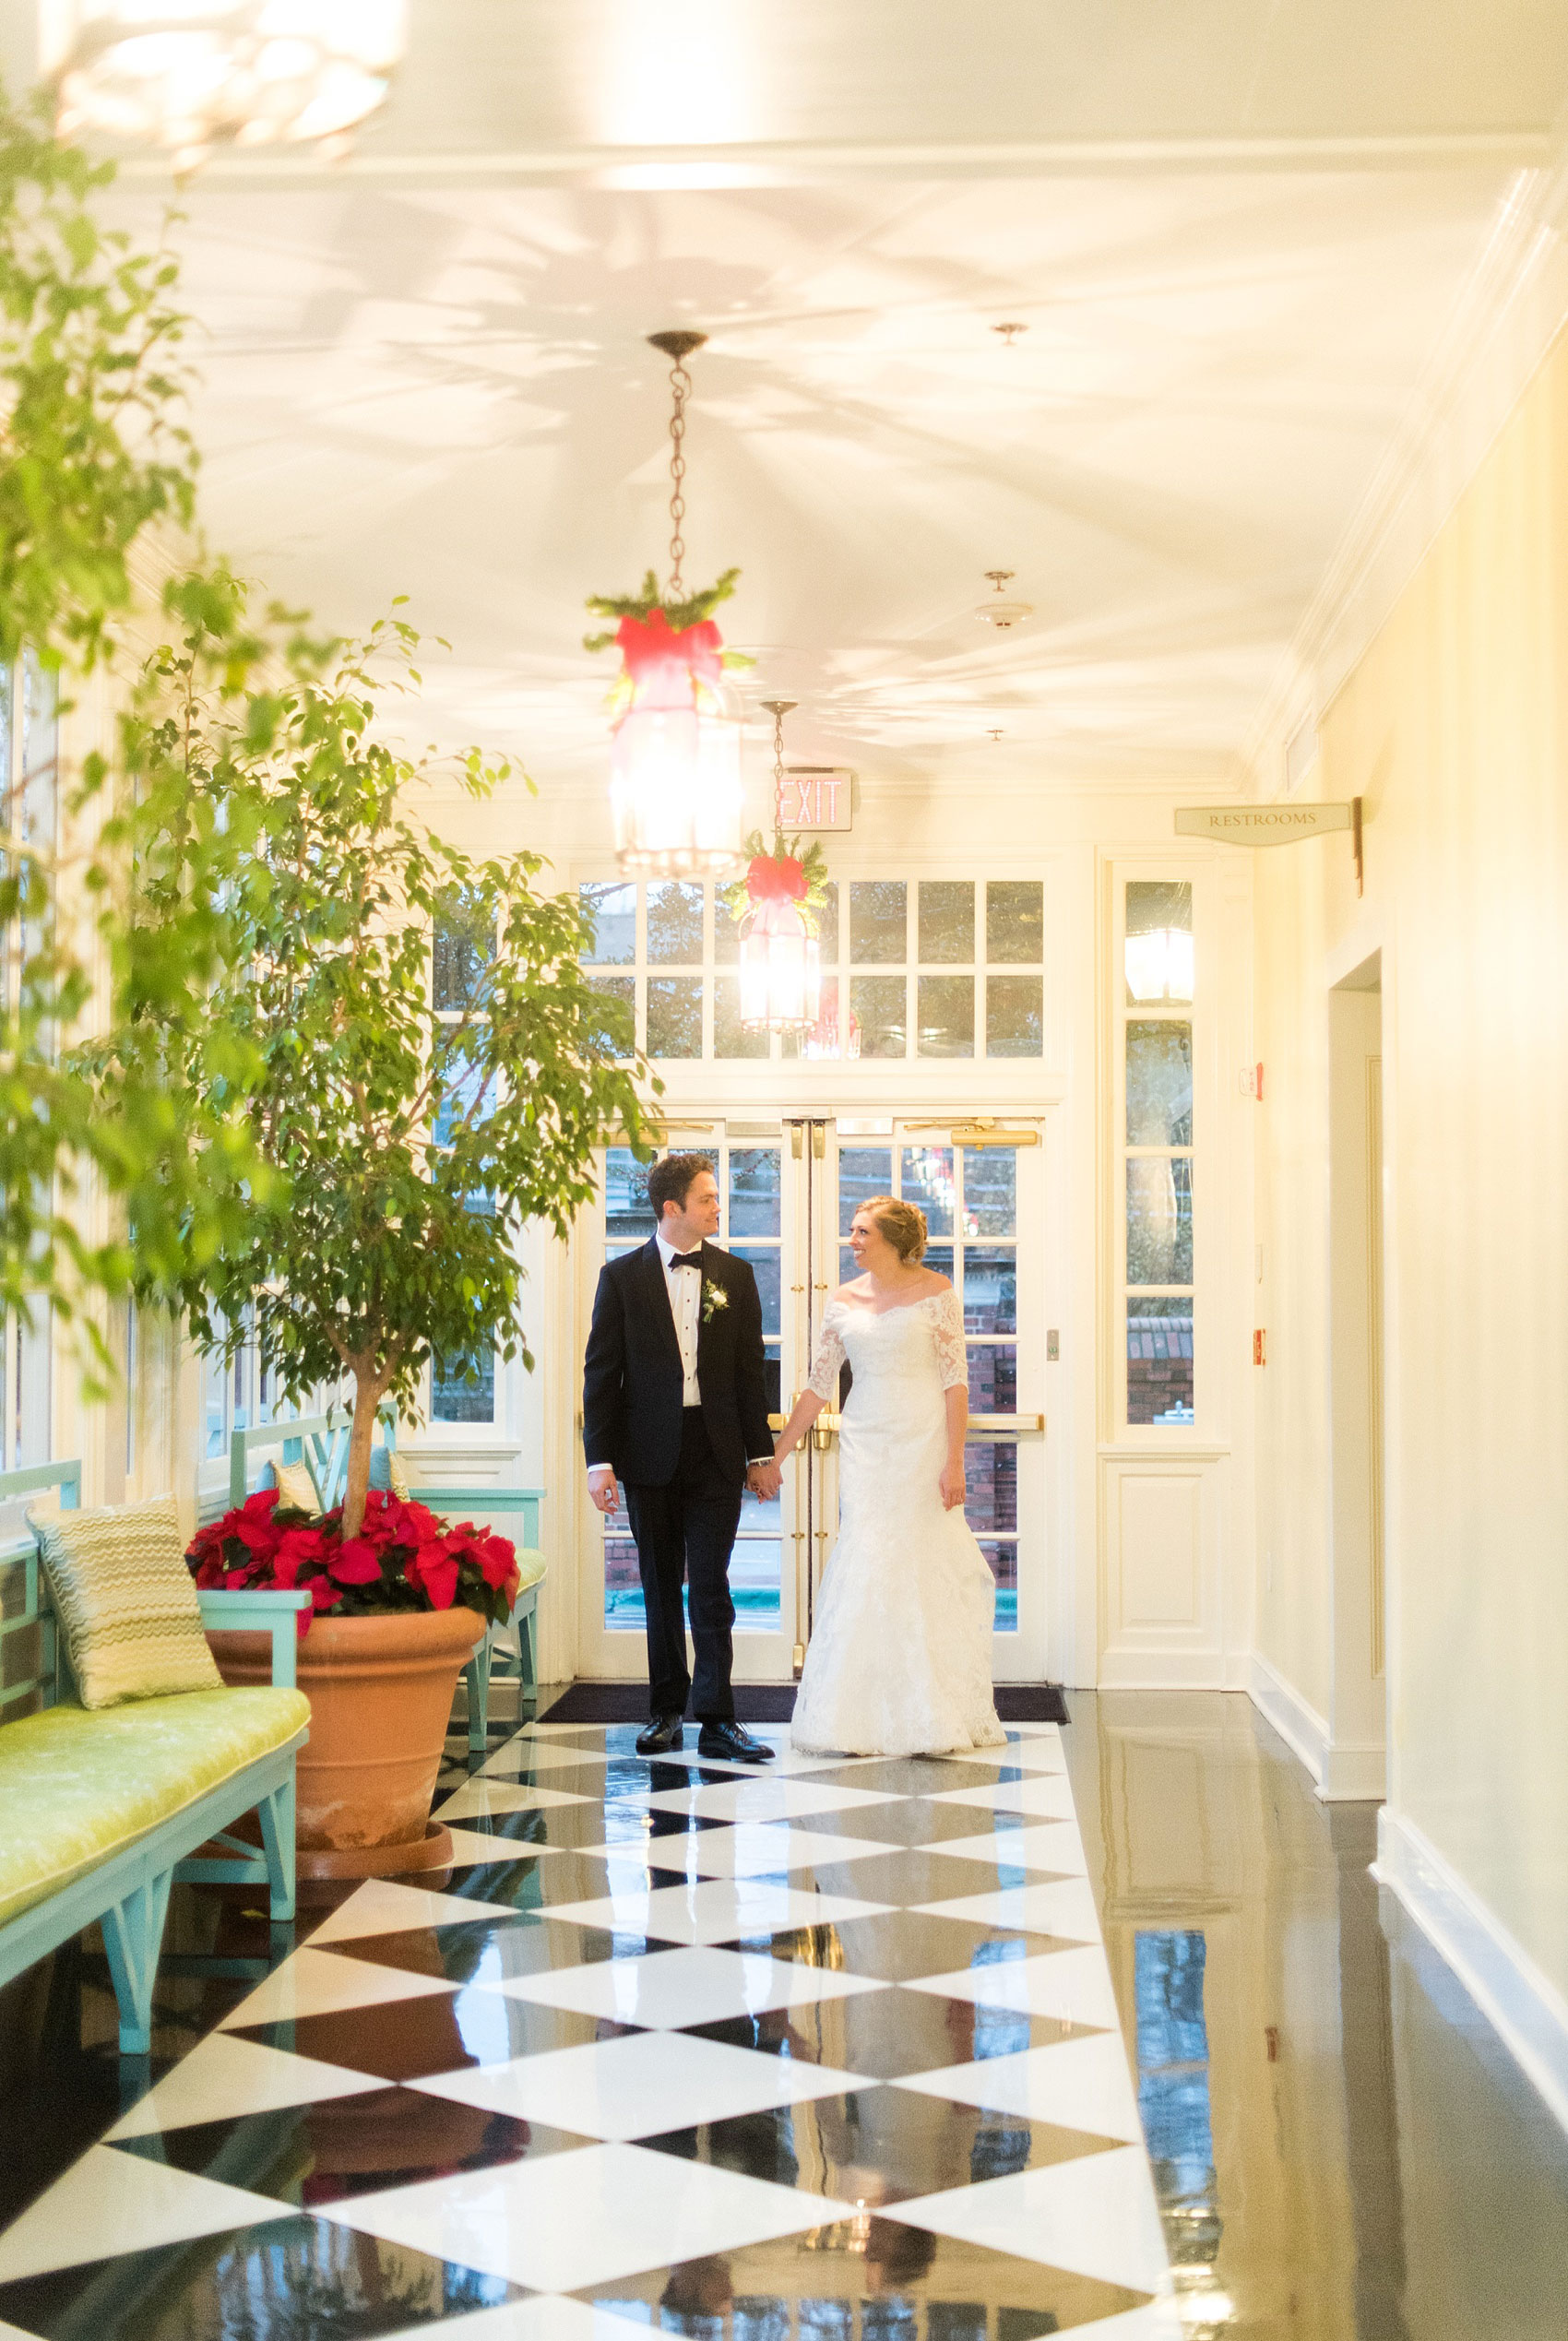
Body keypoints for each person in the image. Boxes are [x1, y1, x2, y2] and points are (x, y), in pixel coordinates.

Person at [775, 1194, 1004, 1756]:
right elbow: (817, 1387)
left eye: (862, 1233)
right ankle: (854, 1715)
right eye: (851, 1231)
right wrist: (776, 1455)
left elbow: (956, 1383)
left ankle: (930, 1710)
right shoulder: (842, 1302)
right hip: (866, 1441)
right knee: (869, 1558)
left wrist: (954, 1461)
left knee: (918, 1562)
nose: (852, 1240)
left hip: (921, 1440)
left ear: (894, 1241)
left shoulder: (938, 1293)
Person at [583, 1153, 782, 1761]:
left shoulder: (737, 1275)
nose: (719, 1207)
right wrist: (600, 1462)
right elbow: (602, 1376)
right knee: (659, 1582)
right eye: (708, 1199)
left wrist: (760, 1455)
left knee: (712, 1586)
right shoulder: (620, 1278)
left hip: (717, 1450)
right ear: (674, 1209)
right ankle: (665, 1711)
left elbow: (752, 1375)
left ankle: (718, 1718)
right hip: (647, 1455)